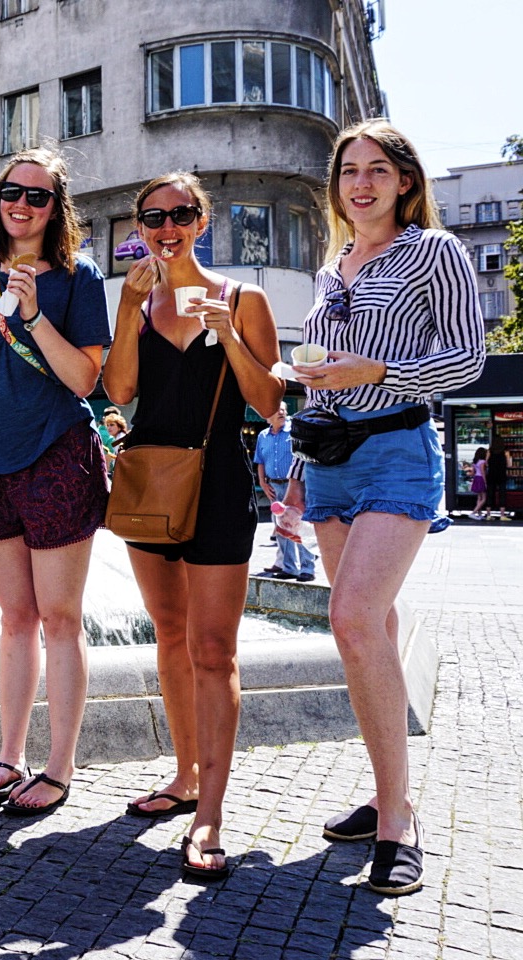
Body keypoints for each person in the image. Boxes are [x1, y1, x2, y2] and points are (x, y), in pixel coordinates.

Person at [281, 119, 484, 896]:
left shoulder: (434, 251)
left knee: (352, 619)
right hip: (329, 459)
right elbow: (325, 373)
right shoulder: (334, 264)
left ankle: (399, 822)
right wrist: (300, 456)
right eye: (347, 171)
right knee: (376, 628)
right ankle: (382, 791)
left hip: (399, 449)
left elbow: (465, 356)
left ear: (405, 180)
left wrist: (380, 368)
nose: (360, 184)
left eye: (376, 170)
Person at [102, 171, 283, 879]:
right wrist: (126, 308)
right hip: (151, 482)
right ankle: (183, 776)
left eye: (181, 213)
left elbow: (269, 400)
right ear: (140, 226)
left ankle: (210, 814)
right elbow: (118, 391)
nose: (166, 226)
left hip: (219, 485)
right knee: (170, 636)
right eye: (153, 216)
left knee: (214, 651)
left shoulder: (245, 298)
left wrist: (228, 335)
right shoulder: (140, 302)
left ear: (201, 221)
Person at [0, 146, 111, 817]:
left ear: (57, 208)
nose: (20, 206)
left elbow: (85, 378)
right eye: (10, 193)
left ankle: (58, 766)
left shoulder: (79, 278)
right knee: (15, 618)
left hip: (58, 456)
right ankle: (9, 754)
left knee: (59, 618)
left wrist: (33, 315)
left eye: (37, 196)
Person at [254, 403, 316, 581]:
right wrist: (262, 483)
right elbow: (260, 460)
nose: (281, 412)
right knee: (281, 528)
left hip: (295, 486)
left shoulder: (294, 430)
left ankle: (308, 568)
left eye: (283, 410)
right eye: (277, 410)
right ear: (267, 416)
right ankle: (289, 568)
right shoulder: (263, 436)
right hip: (274, 486)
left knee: (300, 526)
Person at [487, 435, 512, 520]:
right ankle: (502, 515)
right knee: (502, 494)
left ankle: (488, 515)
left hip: (491, 474)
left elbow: (486, 463)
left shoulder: (489, 451)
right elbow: (509, 464)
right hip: (501, 474)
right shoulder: (506, 452)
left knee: (490, 494)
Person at [469, 447, 488, 519]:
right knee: (484, 498)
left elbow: (473, 472)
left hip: (476, 478)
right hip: (481, 478)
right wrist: (485, 482)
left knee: (479, 497)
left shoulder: (475, 462)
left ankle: (479, 514)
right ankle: (473, 512)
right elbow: (483, 472)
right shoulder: (482, 462)